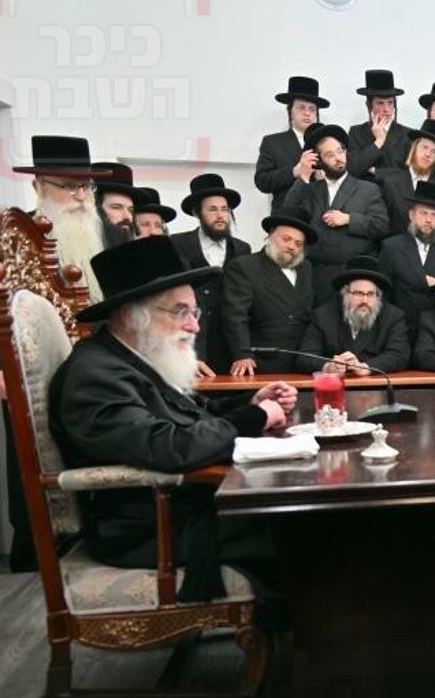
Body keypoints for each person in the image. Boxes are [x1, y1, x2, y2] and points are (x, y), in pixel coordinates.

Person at [49, 236, 296, 604]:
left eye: (195, 313)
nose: (194, 327)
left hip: (182, 508)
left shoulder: (132, 357)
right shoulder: (95, 375)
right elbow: (167, 446)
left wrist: (252, 402)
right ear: (132, 314)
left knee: (301, 515)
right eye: (181, 312)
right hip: (153, 529)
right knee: (302, 526)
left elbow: (190, 414)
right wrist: (254, 418)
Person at [0, 135, 116, 571]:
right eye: (69, 186)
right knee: (32, 480)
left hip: (99, 378)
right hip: (34, 380)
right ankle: (35, 569)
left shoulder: (112, 233)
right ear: (39, 186)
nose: (80, 196)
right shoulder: (9, 238)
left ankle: (99, 555)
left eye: (85, 186)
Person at [283, 122, 390, 304]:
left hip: (355, 275)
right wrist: (303, 176)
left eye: (340, 151)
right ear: (319, 160)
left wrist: (349, 219)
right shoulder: (310, 190)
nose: (338, 158)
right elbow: (288, 215)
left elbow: (382, 226)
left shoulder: (368, 189)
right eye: (330, 155)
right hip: (319, 275)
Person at [172, 172, 252, 375]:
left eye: (225, 209)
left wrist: (242, 351)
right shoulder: (177, 244)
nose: (220, 215)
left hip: (230, 347)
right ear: (197, 213)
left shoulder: (242, 249)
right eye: (213, 209)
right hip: (192, 343)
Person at [222, 214, 317, 376]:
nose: (291, 246)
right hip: (261, 362)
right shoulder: (245, 266)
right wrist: (242, 354)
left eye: (298, 243)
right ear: (270, 237)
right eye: (286, 239)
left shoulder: (306, 268)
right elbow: (235, 315)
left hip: (301, 361)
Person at [377, 180, 435, 349]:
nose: (428, 220)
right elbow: (383, 294)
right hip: (400, 332)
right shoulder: (392, 247)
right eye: (423, 213)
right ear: (411, 215)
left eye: (434, 215)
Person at [298, 255, 410, 374]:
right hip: (335, 382)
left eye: (371, 294)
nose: (365, 301)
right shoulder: (322, 316)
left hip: (373, 382)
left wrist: (366, 367)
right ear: (345, 294)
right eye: (358, 293)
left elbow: (399, 355)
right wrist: (328, 366)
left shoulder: (393, 316)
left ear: (378, 296)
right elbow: (305, 357)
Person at [254, 75, 326, 210]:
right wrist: (294, 171)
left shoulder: (327, 143)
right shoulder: (273, 142)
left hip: (320, 215)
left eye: (312, 109)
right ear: (290, 110)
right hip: (286, 215)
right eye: (301, 107)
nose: (307, 113)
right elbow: (262, 181)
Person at [346, 69, 410, 180]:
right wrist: (378, 142)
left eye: (390, 103)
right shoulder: (356, 132)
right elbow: (354, 169)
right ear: (369, 105)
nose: (386, 109)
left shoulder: (407, 134)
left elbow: (407, 174)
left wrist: (374, 171)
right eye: (380, 103)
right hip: (363, 190)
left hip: (396, 191)